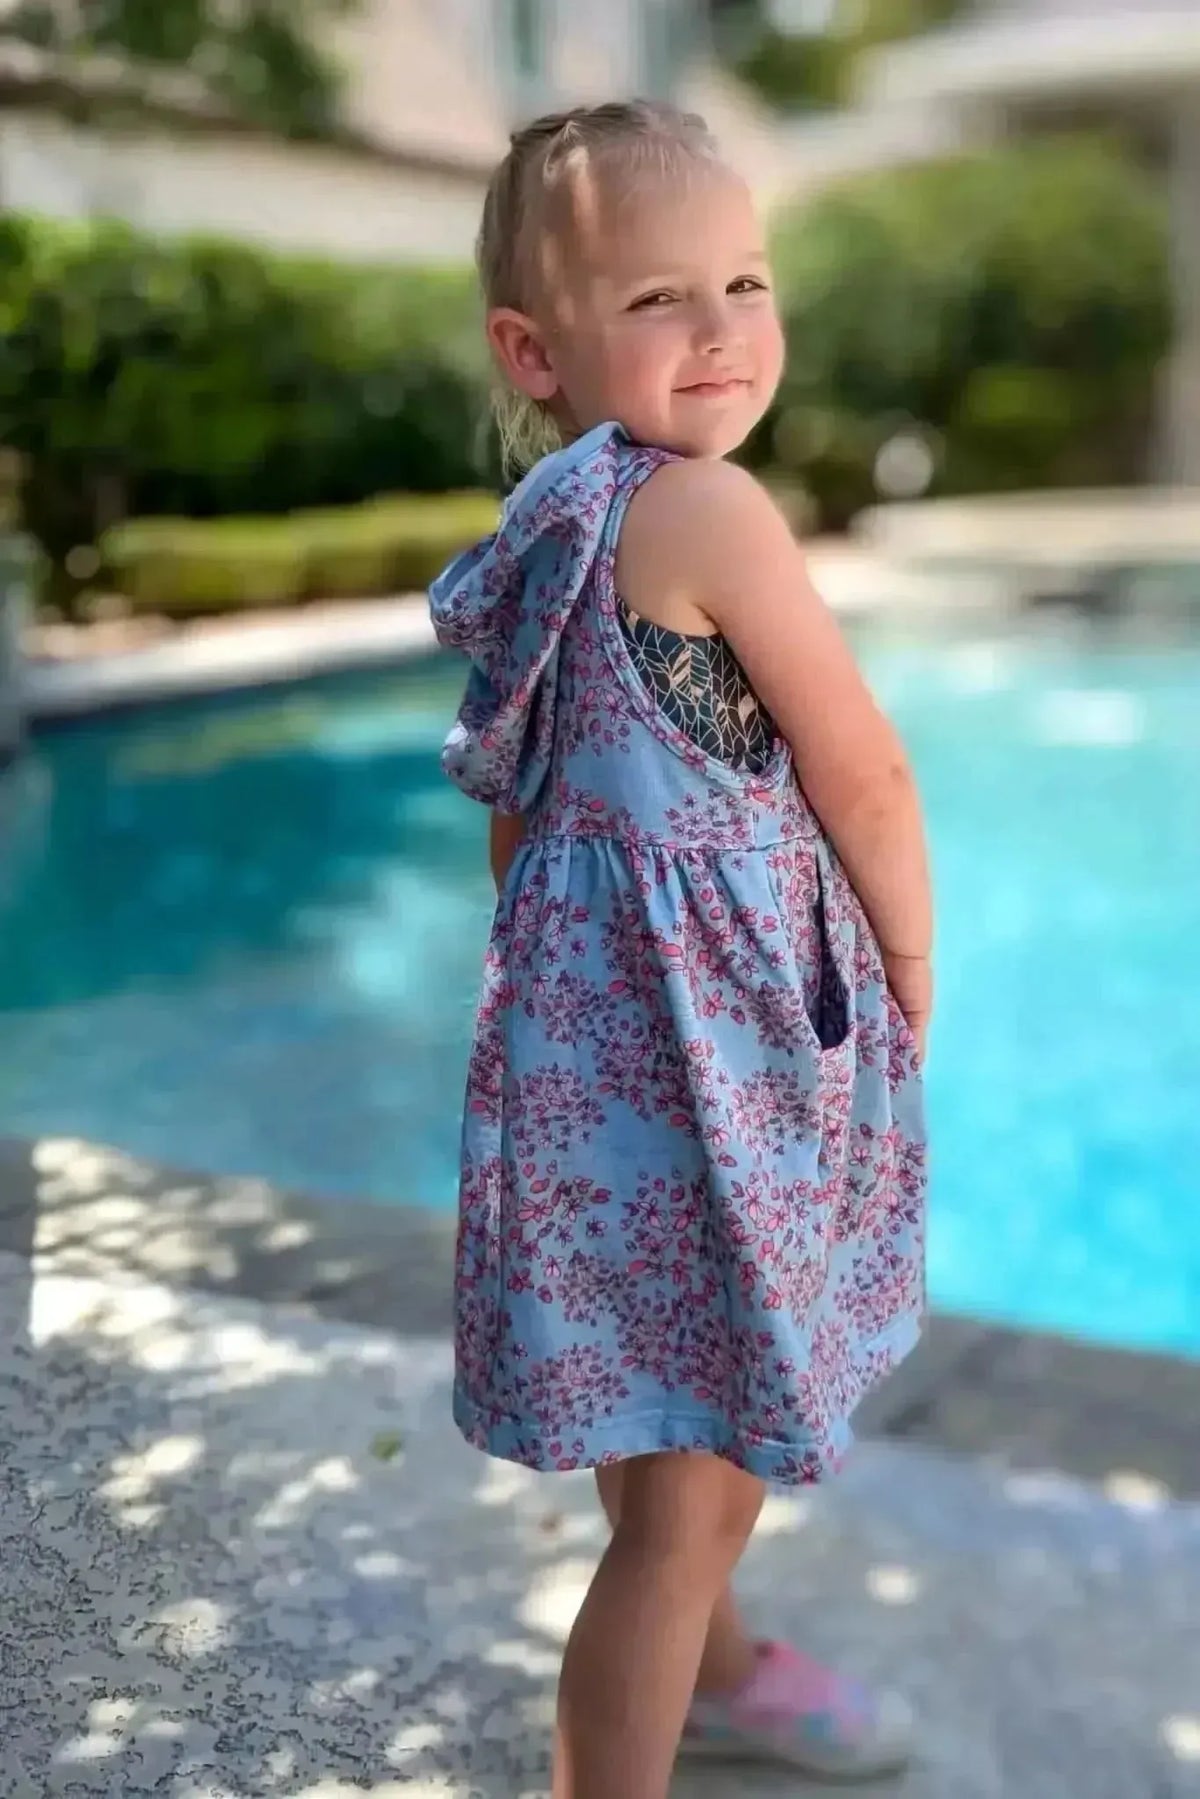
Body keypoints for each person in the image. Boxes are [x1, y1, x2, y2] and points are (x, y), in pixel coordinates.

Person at [429, 99, 931, 1799]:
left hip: (586, 1061)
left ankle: (721, 1669)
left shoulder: (544, 526)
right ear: (537, 348)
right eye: (658, 298)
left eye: (747, 281)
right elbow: (863, 769)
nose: (721, 328)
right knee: (690, 1506)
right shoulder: (711, 510)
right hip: (722, 1059)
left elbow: (516, 812)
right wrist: (910, 971)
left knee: (659, 1415)